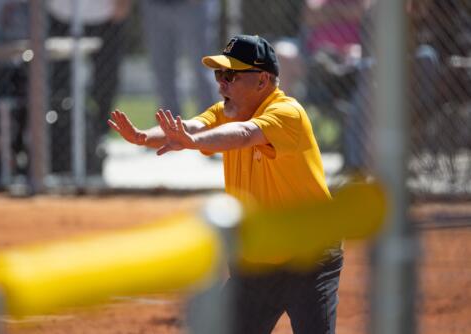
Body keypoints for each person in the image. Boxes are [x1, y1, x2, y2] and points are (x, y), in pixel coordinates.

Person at [108, 35, 343, 334]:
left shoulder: (287, 113)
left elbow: (245, 134)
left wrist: (192, 142)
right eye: (219, 74)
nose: (221, 83)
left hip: (309, 256)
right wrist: (144, 137)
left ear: (262, 80)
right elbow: (191, 126)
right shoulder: (226, 111)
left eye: (230, 75)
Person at [46, 0, 131, 176]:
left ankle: (98, 138)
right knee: (59, 87)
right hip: (62, 13)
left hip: (103, 14)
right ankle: (60, 140)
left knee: (105, 83)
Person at [139, 0, 219, 118]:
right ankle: (170, 129)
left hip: (194, 5)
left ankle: (210, 123)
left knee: (202, 68)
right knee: (162, 70)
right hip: (155, 4)